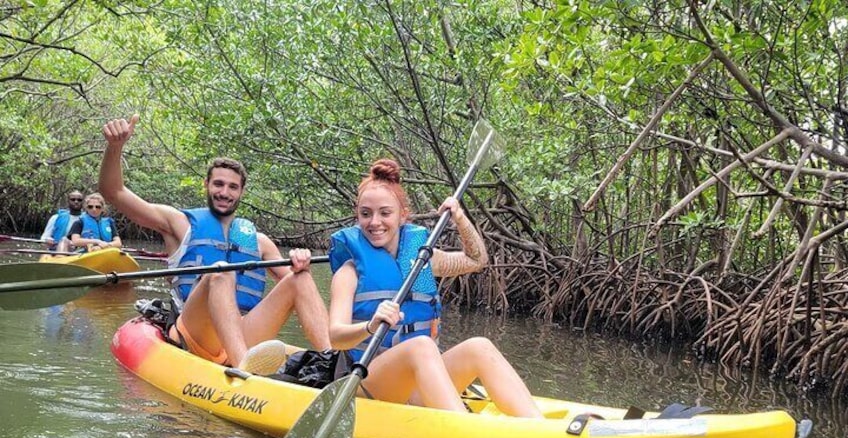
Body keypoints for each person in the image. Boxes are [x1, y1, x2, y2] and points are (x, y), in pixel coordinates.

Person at [98, 115, 331, 374]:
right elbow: (114, 192)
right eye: (218, 184)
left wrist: (301, 261)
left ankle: (331, 360)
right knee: (220, 272)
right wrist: (115, 146)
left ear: (241, 192)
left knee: (301, 277)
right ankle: (245, 369)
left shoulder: (259, 242)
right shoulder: (178, 224)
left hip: (243, 331)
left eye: (233, 187)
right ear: (206, 185)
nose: (224, 192)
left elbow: (301, 293)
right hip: (196, 332)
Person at [327, 158, 543, 417]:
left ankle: (537, 425)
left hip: (416, 387)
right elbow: (336, 337)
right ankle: (465, 433)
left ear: (402, 215)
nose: (375, 222)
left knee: (480, 346)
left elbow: (477, 260)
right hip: (370, 383)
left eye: (385, 213)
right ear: (357, 215)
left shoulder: (422, 261)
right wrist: (370, 326)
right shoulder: (349, 272)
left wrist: (460, 219)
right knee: (422, 346)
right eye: (366, 213)